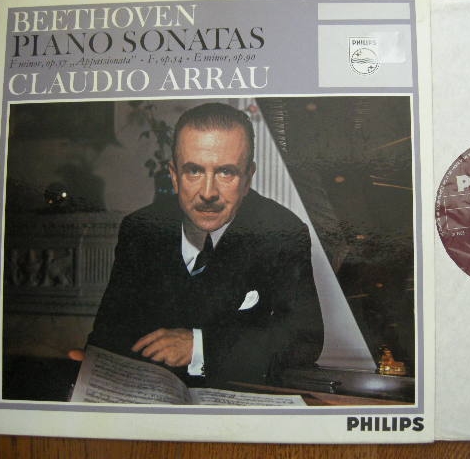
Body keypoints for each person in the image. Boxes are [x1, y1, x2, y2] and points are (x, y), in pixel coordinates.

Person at [85, 102, 324, 388]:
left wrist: (199, 346)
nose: (208, 193)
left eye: (226, 172)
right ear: (174, 176)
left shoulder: (283, 231)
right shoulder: (140, 228)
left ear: (248, 178)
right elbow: (107, 335)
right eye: (194, 171)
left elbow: (305, 340)